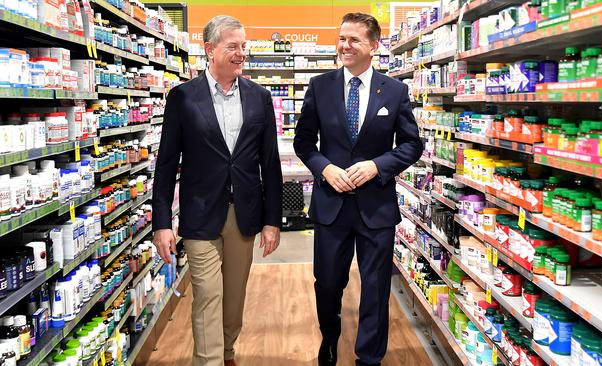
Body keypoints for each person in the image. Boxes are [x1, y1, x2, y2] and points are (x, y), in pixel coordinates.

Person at [293, 12, 423, 366]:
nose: (345, 46)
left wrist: (377, 166)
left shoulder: (395, 91)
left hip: (375, 207)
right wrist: (325, 168)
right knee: (328, 283)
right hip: (331, 204)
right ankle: (330, 339)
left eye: (354, 40)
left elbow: (412, 145)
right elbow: (304, 142)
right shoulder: (320, 87)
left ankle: (370, 357)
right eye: (341, 39)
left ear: (374, 46)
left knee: (376, 287)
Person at [152, 15, 283, 366]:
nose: (242, 53)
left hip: (244, 213)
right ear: (210, 50)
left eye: (244, 46)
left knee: (234, 297)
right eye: (233, 47)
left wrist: (273, 220)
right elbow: (165, 166)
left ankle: (226, 352)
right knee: (208, 294)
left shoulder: (259, 97)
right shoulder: (183, 97)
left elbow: (269, 163)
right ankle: (208, 361)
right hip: (199, 212)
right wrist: (161, 223)